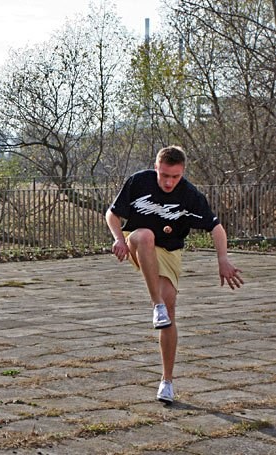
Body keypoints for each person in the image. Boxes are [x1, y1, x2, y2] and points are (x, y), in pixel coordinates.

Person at [105, 145, 243, 404]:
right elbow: (112, 215)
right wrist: (118, 239)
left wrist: (222, 259)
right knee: (145, 235)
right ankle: (155, 303)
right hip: (136, 240)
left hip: (169, 251)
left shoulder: (190, 195)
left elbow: (216, 228)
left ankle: (166, 381)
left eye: (175, 177)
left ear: (183, 173)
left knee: (170, 312)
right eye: (164, 175)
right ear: (156, 167)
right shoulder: (138, 181)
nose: (169, 182)